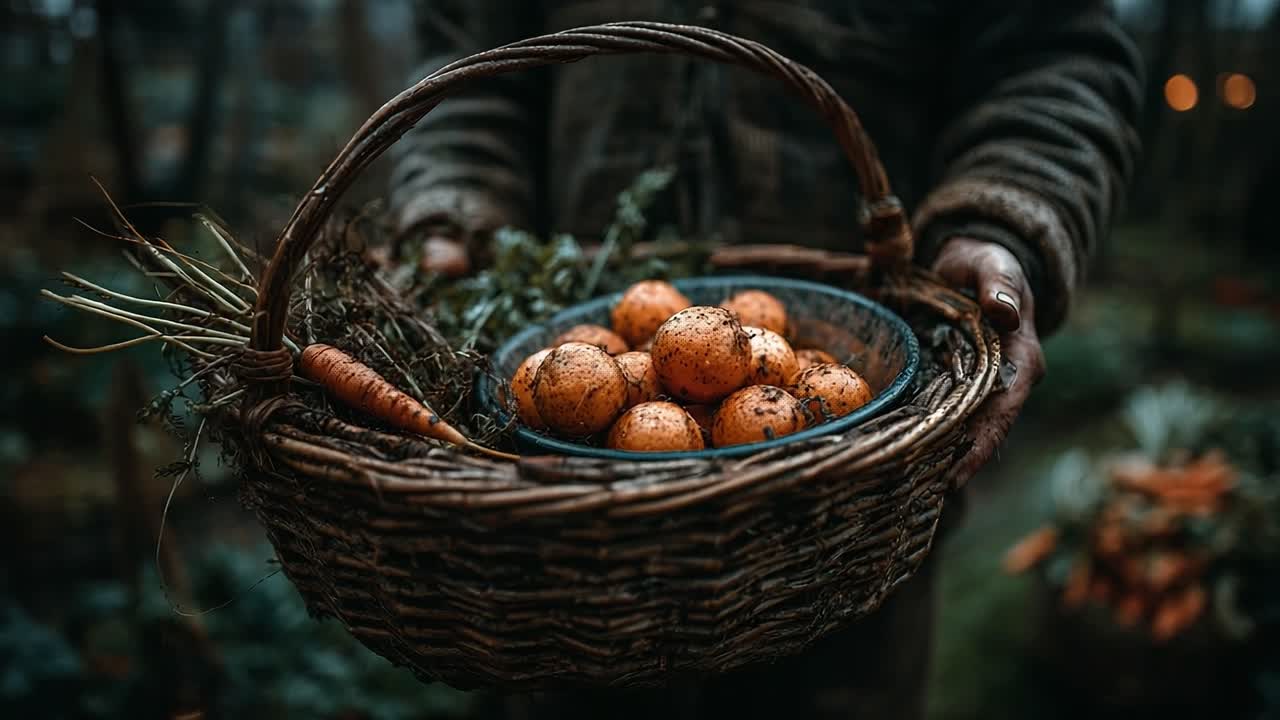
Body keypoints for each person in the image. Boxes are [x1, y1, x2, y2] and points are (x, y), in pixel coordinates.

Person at [389, 2, 1142, 718]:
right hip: (567, 542)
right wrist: (456, 206)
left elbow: (1052, 52)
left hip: (854, 520)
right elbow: (467, 60)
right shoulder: (621, 365)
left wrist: (1003, 218)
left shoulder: (785, 374)